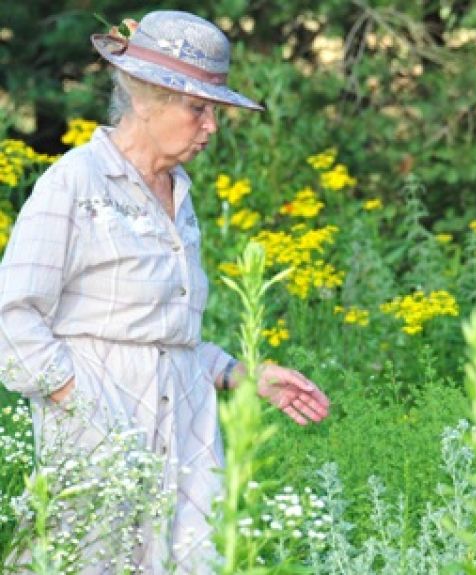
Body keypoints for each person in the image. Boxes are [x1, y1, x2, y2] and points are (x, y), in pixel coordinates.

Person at [0, 10, 330, 574]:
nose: (212, 126)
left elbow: (165, 341)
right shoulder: (75, 182)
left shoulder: (180, 193)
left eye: (215, 111)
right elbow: (12, 319)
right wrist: (87, 411)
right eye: (199, 109)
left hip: (187, 429)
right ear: (145, 98)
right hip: (96, 427)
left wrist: (245, 375)